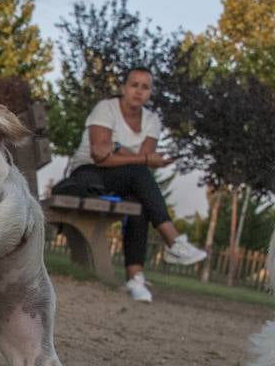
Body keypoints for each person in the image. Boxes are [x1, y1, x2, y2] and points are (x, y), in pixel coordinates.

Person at [60, 66, 207, 302]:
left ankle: (135, 278)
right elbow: (99, 154)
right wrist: (139, 157)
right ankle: (172, 241)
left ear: (150, 92)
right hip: (88, 174)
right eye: (134, 85)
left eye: (145, 87)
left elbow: (139, 162)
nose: (139, 91)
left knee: (140, 197)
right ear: (123, 88)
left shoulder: (151, 120)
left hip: (125, 178)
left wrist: (119, 151)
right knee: (138, 180)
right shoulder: (105, 109)